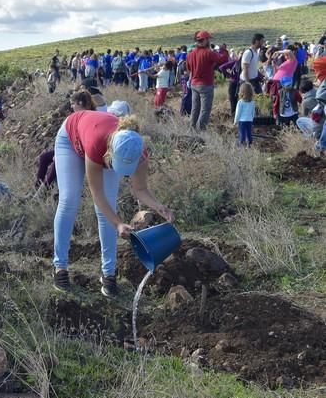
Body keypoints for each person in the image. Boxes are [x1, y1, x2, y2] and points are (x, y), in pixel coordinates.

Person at [52, 111, 174, 295]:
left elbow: (140, 189)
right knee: (70, 199)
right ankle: (59, 267)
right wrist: (118, 223)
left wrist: (159, 206)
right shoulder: (97, 143)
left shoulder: (138, 151)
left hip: (103, 147)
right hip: (70, 139)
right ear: (110, 152)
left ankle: (108, 273)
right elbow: (96, 192)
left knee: (107, 209)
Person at [186, 30, 229, 129]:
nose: (209, 41)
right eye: (208, 39)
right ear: (204, 40)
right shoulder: (208, 53)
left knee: (195, 108)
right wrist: (223, 50)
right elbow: (223, 59)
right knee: (205, 109)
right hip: (205, 85)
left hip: (194, 84)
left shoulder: (190, 54)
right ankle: (201, 131)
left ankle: (192, 129)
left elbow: (188, 69)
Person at [234, 82, 255, 147]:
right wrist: (252, 118)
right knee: (249, 132)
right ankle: (249, 143)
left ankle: (241, 143)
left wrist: (235, 121)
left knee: (242, 133)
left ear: (241, 92)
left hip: (242, 121)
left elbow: (238, 113)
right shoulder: (253, 102)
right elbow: (253, 112)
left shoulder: (240, 102)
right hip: (249, 120)